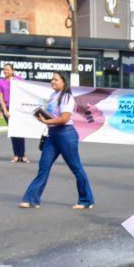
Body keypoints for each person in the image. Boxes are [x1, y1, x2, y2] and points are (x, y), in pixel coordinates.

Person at [19, 72, 94, 210]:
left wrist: (47, 120)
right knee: (44, 166)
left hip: (66, 134)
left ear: (64, 82)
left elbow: (64, 118)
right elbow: (54, 116)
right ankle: (32, 199)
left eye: (56, 79)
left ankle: (86, 200)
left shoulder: (66, 96)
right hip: (53, 134)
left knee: (76, 168)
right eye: (52, 79)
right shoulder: (53, 95)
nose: (52, 81)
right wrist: (43, 118)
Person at [0, 63, 29, 163]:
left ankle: (23, 155)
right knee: (13, 131)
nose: (6, 71)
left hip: (18, 108)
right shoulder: (0, 82)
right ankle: (16, 155)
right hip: (7, 108)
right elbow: (0, 98)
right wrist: (5, 111)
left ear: (12, 70)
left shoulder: (19, 80)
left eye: (8, 69)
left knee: (20, 131)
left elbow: (25, 93)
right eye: (4, 69)